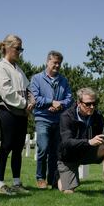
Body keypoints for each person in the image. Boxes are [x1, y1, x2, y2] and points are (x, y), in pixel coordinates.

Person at [57, 87, 104, 200]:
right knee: (68, 191)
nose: (92, 107)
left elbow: (102, 138)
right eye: (88, 104)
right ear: (78, 103)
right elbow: (66, 142)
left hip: (87, 151)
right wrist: (89, 142)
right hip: (69, 156)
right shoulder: (66, 116)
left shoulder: (97, 116)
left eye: (94, 103)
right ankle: (60, 177)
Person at [0, 35, 34, 195]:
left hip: (22, 113)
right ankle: (0, 184)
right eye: (18, 48)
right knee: (6, 146)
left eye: (21, 49)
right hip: (8, 112)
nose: (20, 52)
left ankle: (16, 183)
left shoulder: (17, 68)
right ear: (8, 48)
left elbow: (28, 88)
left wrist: (32, 101)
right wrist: (25, 104)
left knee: (18, 148)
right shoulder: (1, 67)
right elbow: (7, 93)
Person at [30, 51, 73, 189]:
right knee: (43, 148)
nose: (57, 65)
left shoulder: (63, 80)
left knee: (55, 151)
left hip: (58, 119)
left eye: (59, 63)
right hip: (42, 119)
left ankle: (53, 179)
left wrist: (60, 105)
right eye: (55, 62)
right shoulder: (36, 79)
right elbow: (35, 98)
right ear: (47, 61)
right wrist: (51, 102)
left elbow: (69, 98)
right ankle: (40, 178)